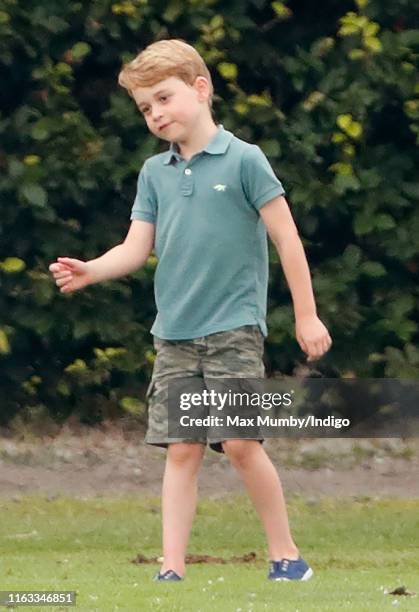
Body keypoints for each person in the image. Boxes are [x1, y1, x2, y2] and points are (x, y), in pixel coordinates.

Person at [49, 39, 332, 583]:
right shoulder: (153, 174)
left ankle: (287, 557)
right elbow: (135, 250)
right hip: (174, 335)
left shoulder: (246, 159)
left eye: (163, 98)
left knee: (243, 444)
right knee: (182, 451)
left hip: (233, 330)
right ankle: (171, 570)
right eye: (145, 108)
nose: (155, 114)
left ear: (200, 90)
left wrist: (306, 315)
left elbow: (287, 239)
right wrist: (92, 269)